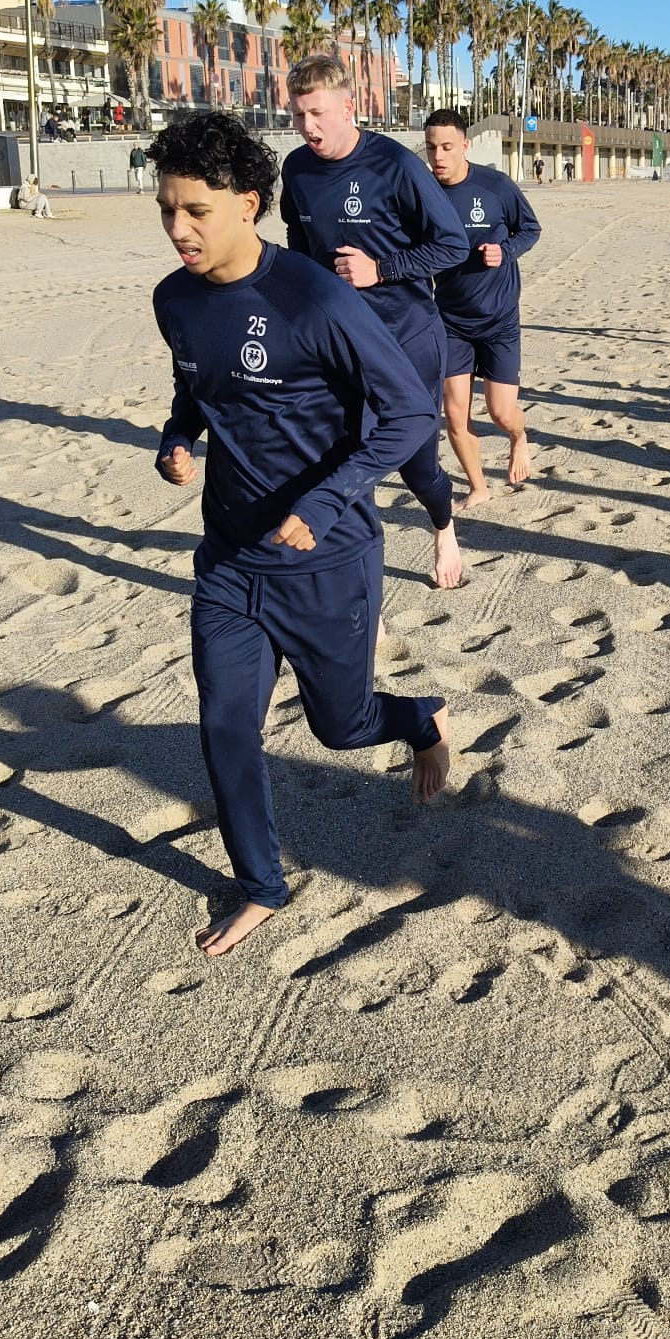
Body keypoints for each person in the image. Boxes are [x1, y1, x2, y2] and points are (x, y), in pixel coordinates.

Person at [150, 112, 449, 958]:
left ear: (249, 205)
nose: (179, 229)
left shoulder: (315, 297)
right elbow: (194, 391)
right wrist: (177, 441)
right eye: (167, 209)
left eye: (196, 211)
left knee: (342, 729)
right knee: (225, 727)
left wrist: (323, 504)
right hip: (229, 562)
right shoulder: (173, 299)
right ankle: (261, 885)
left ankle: (418, 718)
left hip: (327, 559)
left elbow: (408, 413)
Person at [279, 54, 470, 589]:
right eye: (298, 115)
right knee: (344, 463)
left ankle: (443, 524)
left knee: (414, 465)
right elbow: (298, 237)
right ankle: (361, 593)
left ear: (349, 106)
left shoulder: (395, 164)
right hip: (339, 342)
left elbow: (452, 244)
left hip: (408, 335)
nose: (307, 127)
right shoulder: (295, 168)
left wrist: (379, 270)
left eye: (316, 113)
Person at [423, 108, 540, 507]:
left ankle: (519, 438)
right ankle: (478, 486)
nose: (438, 156)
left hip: (499, 319)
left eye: (447, 147)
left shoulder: (496, 186)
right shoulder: (423, 192)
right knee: (455, 416)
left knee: (501, 413)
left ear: (465, 146)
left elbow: (530, 229)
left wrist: (504, 251)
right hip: (450, 320)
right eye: (432, 147)